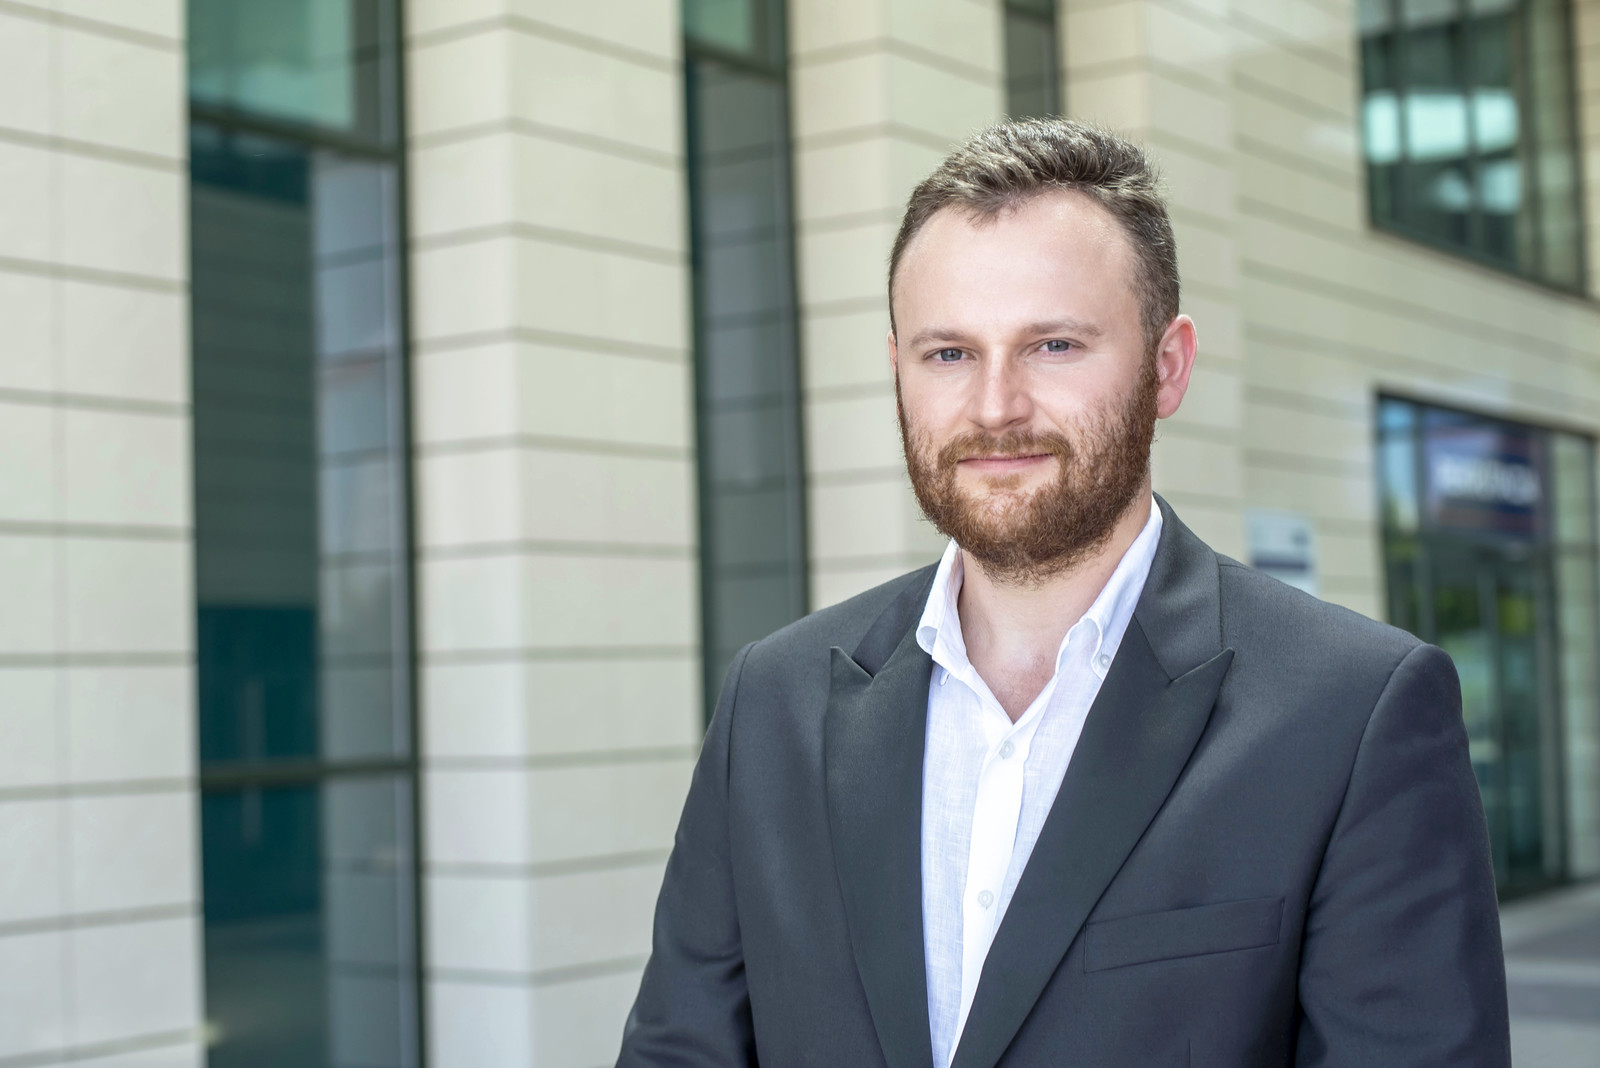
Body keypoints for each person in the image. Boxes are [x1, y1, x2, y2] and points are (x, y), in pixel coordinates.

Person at [616, 118, 1509, 1067]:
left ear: (1167, 367)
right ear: (897, 372)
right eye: (949, 354)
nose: (995, 407)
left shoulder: (1355, 714)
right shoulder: (773, 701)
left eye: (1052, 345)